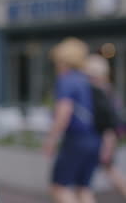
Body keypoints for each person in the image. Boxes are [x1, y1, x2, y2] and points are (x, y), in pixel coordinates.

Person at [43, 37, 101, 203]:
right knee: (84, 188)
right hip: (94, 138)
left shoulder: (67, 80)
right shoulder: (87, 79)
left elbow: (64, 113)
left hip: (76, 140)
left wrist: (51, 139)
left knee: (59, 187)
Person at [85, 54, 126, 200]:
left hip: (104, 139)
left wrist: (108, 145)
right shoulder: (107, 90)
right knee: (108, 172)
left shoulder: (99, 92)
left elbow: (109, 122)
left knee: (88, 180)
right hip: (106, 138)